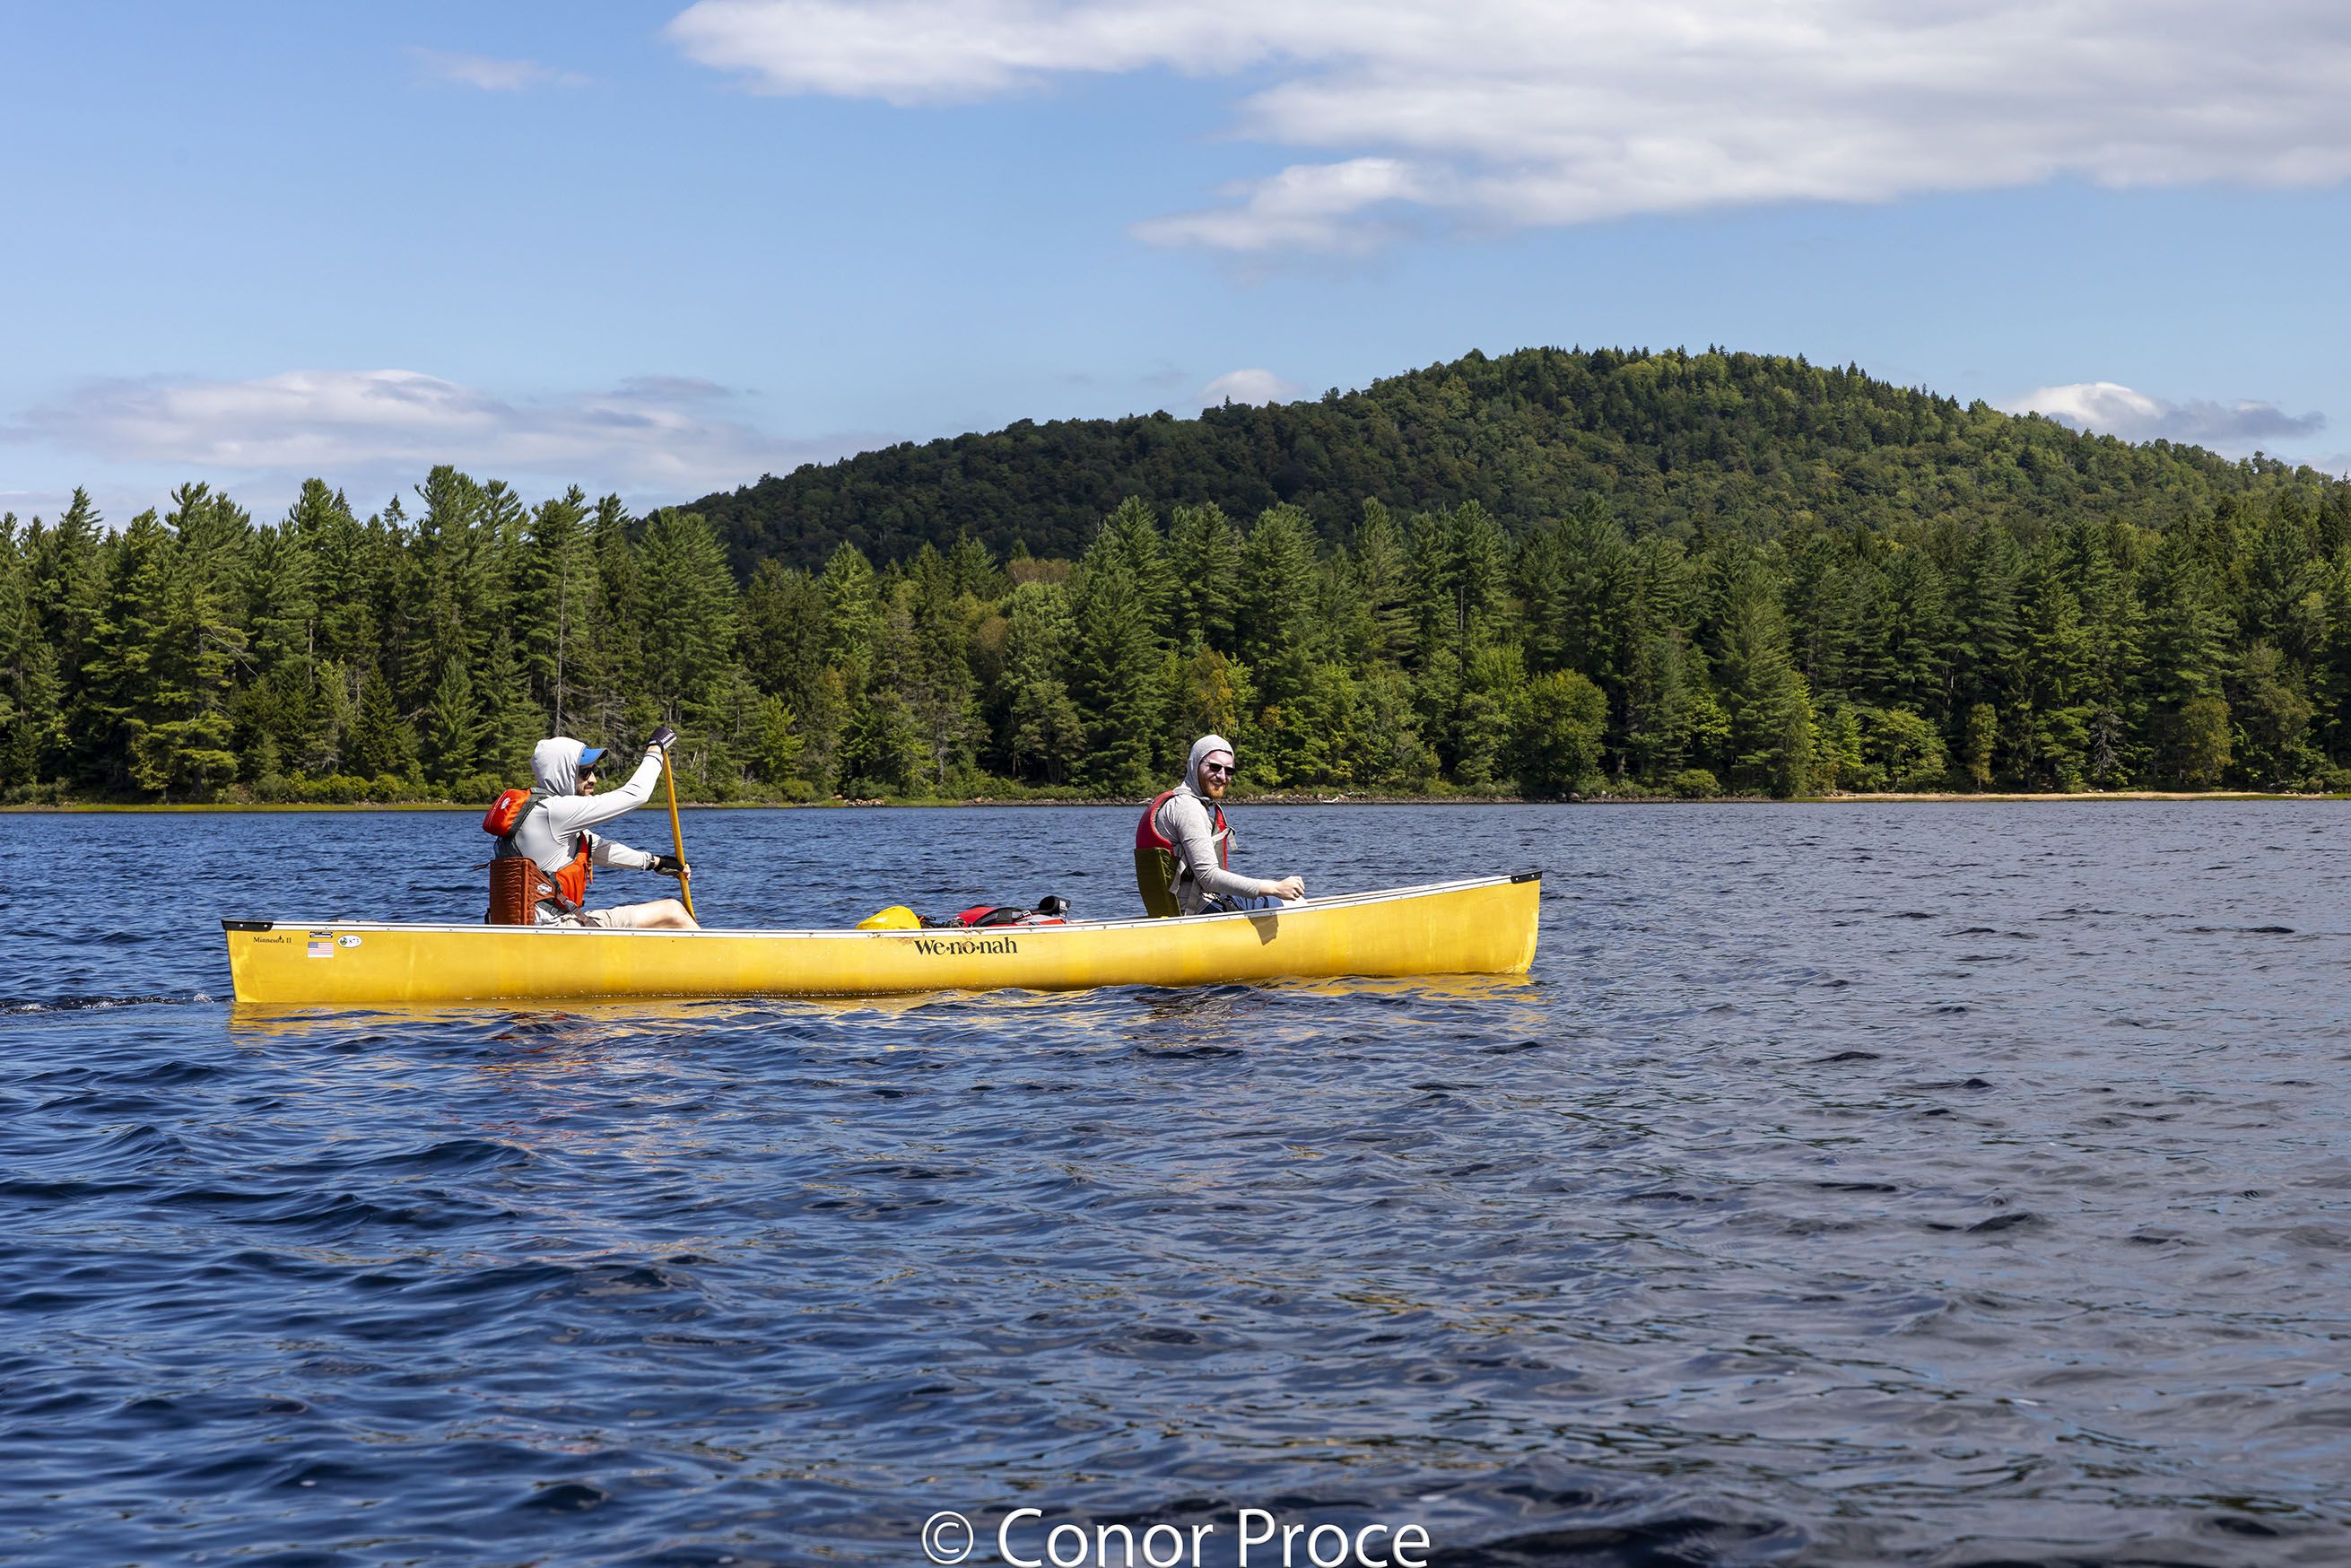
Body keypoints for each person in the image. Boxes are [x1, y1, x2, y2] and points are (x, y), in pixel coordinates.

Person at [492, 729, 698, 928]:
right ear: (561, 773)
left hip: (537, 927)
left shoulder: (540, 811)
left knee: (661, 922)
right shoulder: (554, 811)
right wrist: (655, 749)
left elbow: (597, 848)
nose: (593, 779)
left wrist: (656, 863)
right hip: (553, 930)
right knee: (672, 913)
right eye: (585, 772)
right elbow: (636, 795)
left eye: (593, 771)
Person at [1133, 734, 1307, 917]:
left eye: (1229, 771)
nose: (1222, 776)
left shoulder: (1175, 802)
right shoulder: (1188, 808)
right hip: (1197, 909)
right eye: (1214, 767)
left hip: (1180, 907)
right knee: (1297, 903)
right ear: (1194, 764)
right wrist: (1275, 887)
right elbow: (1208, 877)